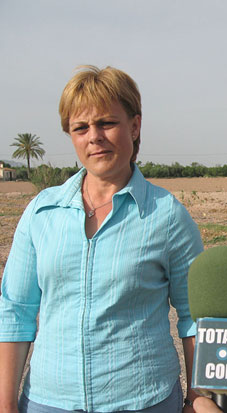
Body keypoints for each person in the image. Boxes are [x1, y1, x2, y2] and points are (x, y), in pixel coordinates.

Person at [0, 66, 203, 413]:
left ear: (135, 126)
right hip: (48, 402)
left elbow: (195, 317)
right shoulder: (41, 213)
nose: (94, 136)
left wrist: (198, 397)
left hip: (144, 401)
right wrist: (5, 404)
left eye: (107, 123)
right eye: (81, 127)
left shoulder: (167, 215)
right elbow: (15, 311)